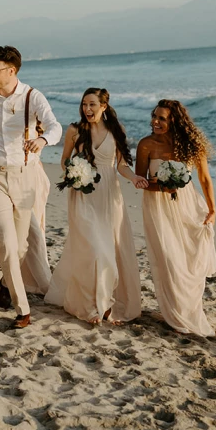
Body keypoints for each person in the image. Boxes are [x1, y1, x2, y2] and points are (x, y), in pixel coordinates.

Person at [0, 46, 60, 328]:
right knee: (5, 239)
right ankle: (23, 309)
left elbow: (55, 126)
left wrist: (42, 141)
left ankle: (7, 281)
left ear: (12, 71)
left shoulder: (33, 96)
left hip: (25, 176)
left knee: (18, 247)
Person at [45, 88, 144, 325]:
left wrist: (134, 178)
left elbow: (121, 166)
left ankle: (104, 303)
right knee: (94, 249)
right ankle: (92, 306)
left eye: (92, 105)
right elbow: (65, 161)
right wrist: (75, 174)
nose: (87, 109)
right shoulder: (74, 130)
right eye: (84, 105)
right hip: (83, 194)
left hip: (109, 195)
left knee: (111, 249)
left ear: (104, 106)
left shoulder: (116, 131)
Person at [135, 100, 216, 336]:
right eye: (154, 116)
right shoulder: (145, 144)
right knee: (169, 259)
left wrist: (213, 209)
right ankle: (175, 313)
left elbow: (204, 179)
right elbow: (141, 181)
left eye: (162, 118)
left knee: (189, 261)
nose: (155, 122)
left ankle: (191, 310)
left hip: (188, 206)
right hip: (157, 208)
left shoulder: (192, 145)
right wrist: (162, 186)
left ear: (175, 121)